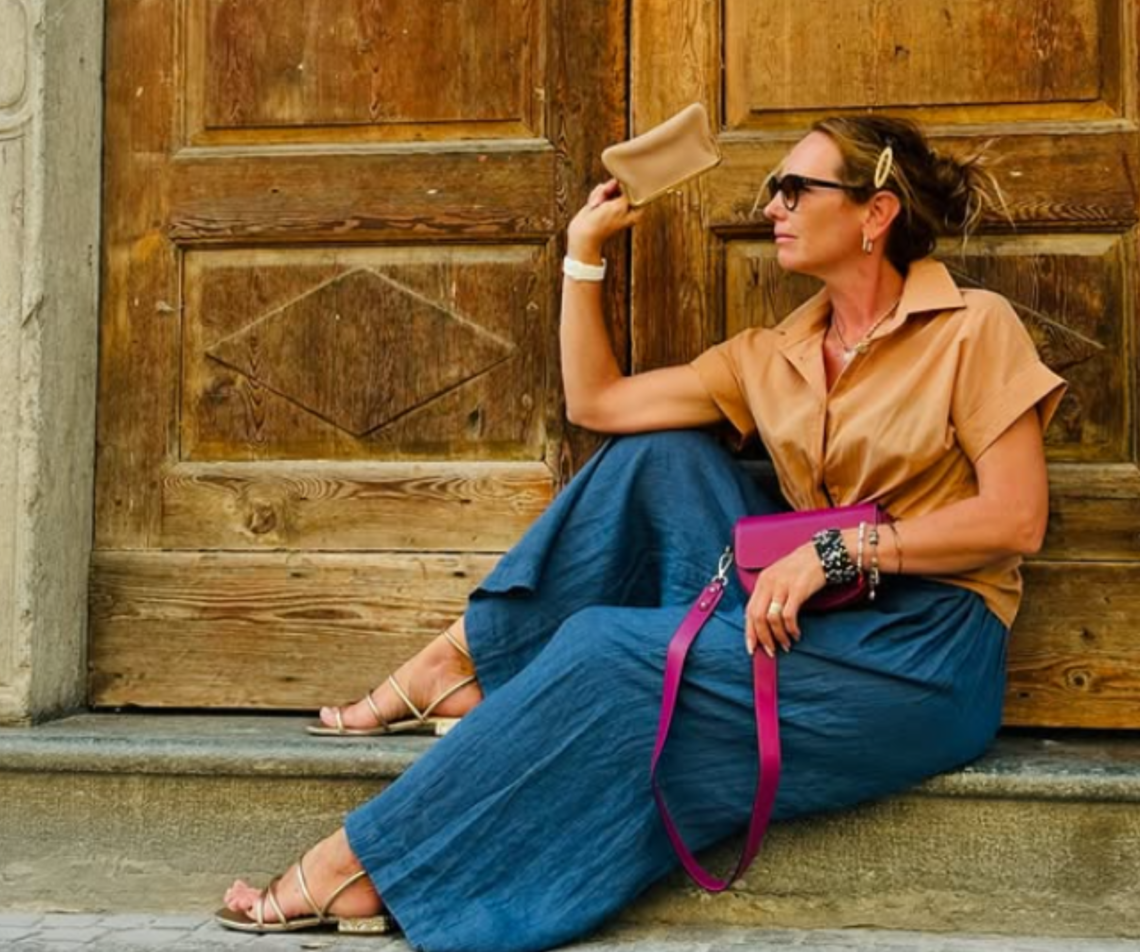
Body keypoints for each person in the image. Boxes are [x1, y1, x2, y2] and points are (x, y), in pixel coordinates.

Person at [218, 114, 1064, 949]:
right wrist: (583, 253)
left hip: (924, 652)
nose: (772, 205)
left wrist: (842, 550)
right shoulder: (775, 353)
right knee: (655, 456)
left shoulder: (972, 326)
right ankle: (464, 665)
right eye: (776, 189)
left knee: (608, 654)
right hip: (807, 612)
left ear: (875, 213)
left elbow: (1017, 520)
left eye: (796, 189)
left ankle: (366, 864)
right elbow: (598, 404)